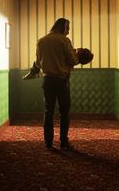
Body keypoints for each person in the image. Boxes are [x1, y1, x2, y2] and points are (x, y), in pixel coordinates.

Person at [28, 18, 79, 150]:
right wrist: (76, 54)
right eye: (67, 28)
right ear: (62, 27)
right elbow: (73, 60)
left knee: (48, 111)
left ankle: (48, 143)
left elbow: (38, 63)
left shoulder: (41, 41)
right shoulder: (64, 40)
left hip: (47, 81)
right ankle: (63, 141)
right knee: (64, 111)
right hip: (62, 81)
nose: (68, 31)